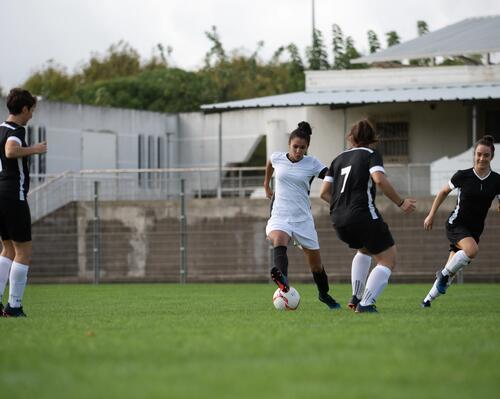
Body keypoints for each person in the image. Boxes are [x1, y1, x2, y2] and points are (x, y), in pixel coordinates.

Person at [320, 119, 416, 313]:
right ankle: (365, 304)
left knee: (364, 250)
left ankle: (356, 297)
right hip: (361, 215)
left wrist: (342, 207)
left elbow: (323, 192)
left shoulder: (338, 158)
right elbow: (379, 179)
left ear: (351, 137)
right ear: (373, 138)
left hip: (338, 219)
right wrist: (401, 202)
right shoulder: (371, 154)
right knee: (388, 259)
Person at [264, 121, 341, 309]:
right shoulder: (277, 157)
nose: (298, 151)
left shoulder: (312, 163)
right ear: (289, 145)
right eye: (295, 147)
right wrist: (266, 184)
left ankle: (324, 294)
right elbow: (269, 164)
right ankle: (283, 282)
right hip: (280, 214)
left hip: (302, 219)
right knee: (279, 239)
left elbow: (331, 176)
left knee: (316, 266)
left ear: (307, 148)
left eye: (302, 148)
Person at [421, 135, 500, 307]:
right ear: (474, 155)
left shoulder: (496, 181)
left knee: (451, 271)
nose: (482, 158)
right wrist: (431, 214)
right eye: (479, 154)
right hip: (456, 224)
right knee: (471, 250)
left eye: (486, 155)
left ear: (491, 157)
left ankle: (427, 300)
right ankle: (442, 275)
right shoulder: (462, 176)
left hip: (475, 230)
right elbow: (442, 192)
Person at [0, 88, 47, 317]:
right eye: (31, 111)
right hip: (12, 195)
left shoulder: (0, 128)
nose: (31, 116)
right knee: (23, 250)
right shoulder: (16, 130)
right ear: (24, 109)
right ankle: (14, 306)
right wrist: (35, 150)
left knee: (7, 249)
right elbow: (10, 151)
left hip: (0, 194)